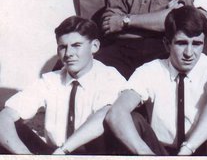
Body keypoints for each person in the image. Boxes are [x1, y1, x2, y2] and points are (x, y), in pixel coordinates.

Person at [106, 6, 207, 155]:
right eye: (181, 43)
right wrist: (146, 154)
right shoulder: (150, 70)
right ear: (167, 44)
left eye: (197, 44)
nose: (189, 53)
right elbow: (116, 113)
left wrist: (188, 149)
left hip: (199, 149)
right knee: (133, 120)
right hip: (160, 153)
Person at [0, 17, 126, 155]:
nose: (69, 54)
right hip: (54, 154)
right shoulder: (51, 80)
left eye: (76, 45)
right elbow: (6, 116)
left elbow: (104, 115)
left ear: (94, 46)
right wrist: (25, 156)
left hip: (94, 154)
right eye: (62, 47)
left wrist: (63, 151)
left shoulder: (109, 77)